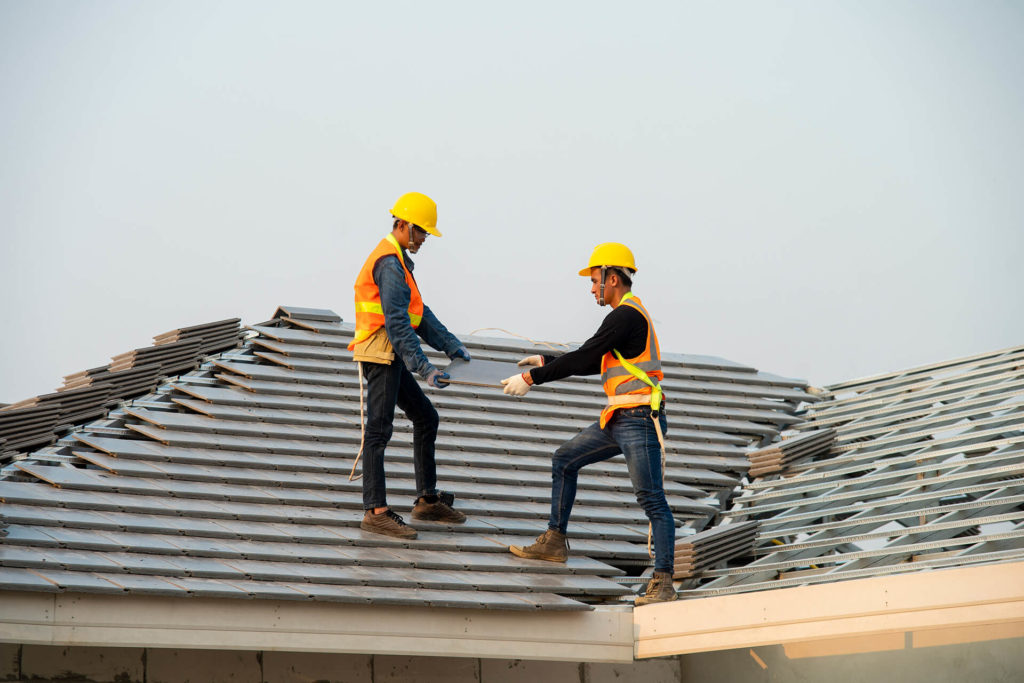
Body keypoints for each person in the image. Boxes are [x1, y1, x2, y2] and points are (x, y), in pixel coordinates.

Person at [501, 243, 677, 605]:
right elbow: (591, 359)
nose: (592, 288)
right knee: (564, 459)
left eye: (595, 280)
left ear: (613, 279)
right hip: (618, 417)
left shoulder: (625, 316)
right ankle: (554, 542)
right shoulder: (624, 317)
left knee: (652, 500)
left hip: (640, 419)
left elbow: (587, 355)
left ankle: (663, 583)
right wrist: (548, 359)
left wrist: (534, 377)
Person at [347, 191, 469, 539]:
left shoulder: (399, 261)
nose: (425, 239)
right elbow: (398, 323)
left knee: (426, 417)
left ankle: (427, 501)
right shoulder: (388, 263)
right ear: (403, 225)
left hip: (393, 353)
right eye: (422, 232)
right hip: (381, 353)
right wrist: (426, 367)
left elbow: (419, 312)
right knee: (379, 431)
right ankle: (375, 511)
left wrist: (451, 345)